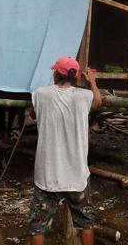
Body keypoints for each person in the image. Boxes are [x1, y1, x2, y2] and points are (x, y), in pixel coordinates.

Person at [28, 57, 102, 245]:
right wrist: (92, 83)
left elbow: (33, 113)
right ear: (76, 77)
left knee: (38, 224)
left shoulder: (40, 94)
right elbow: (98, 102)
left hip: (47, 175)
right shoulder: (85, 96)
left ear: (55, 73)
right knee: (86, 222)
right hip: (76, 175)